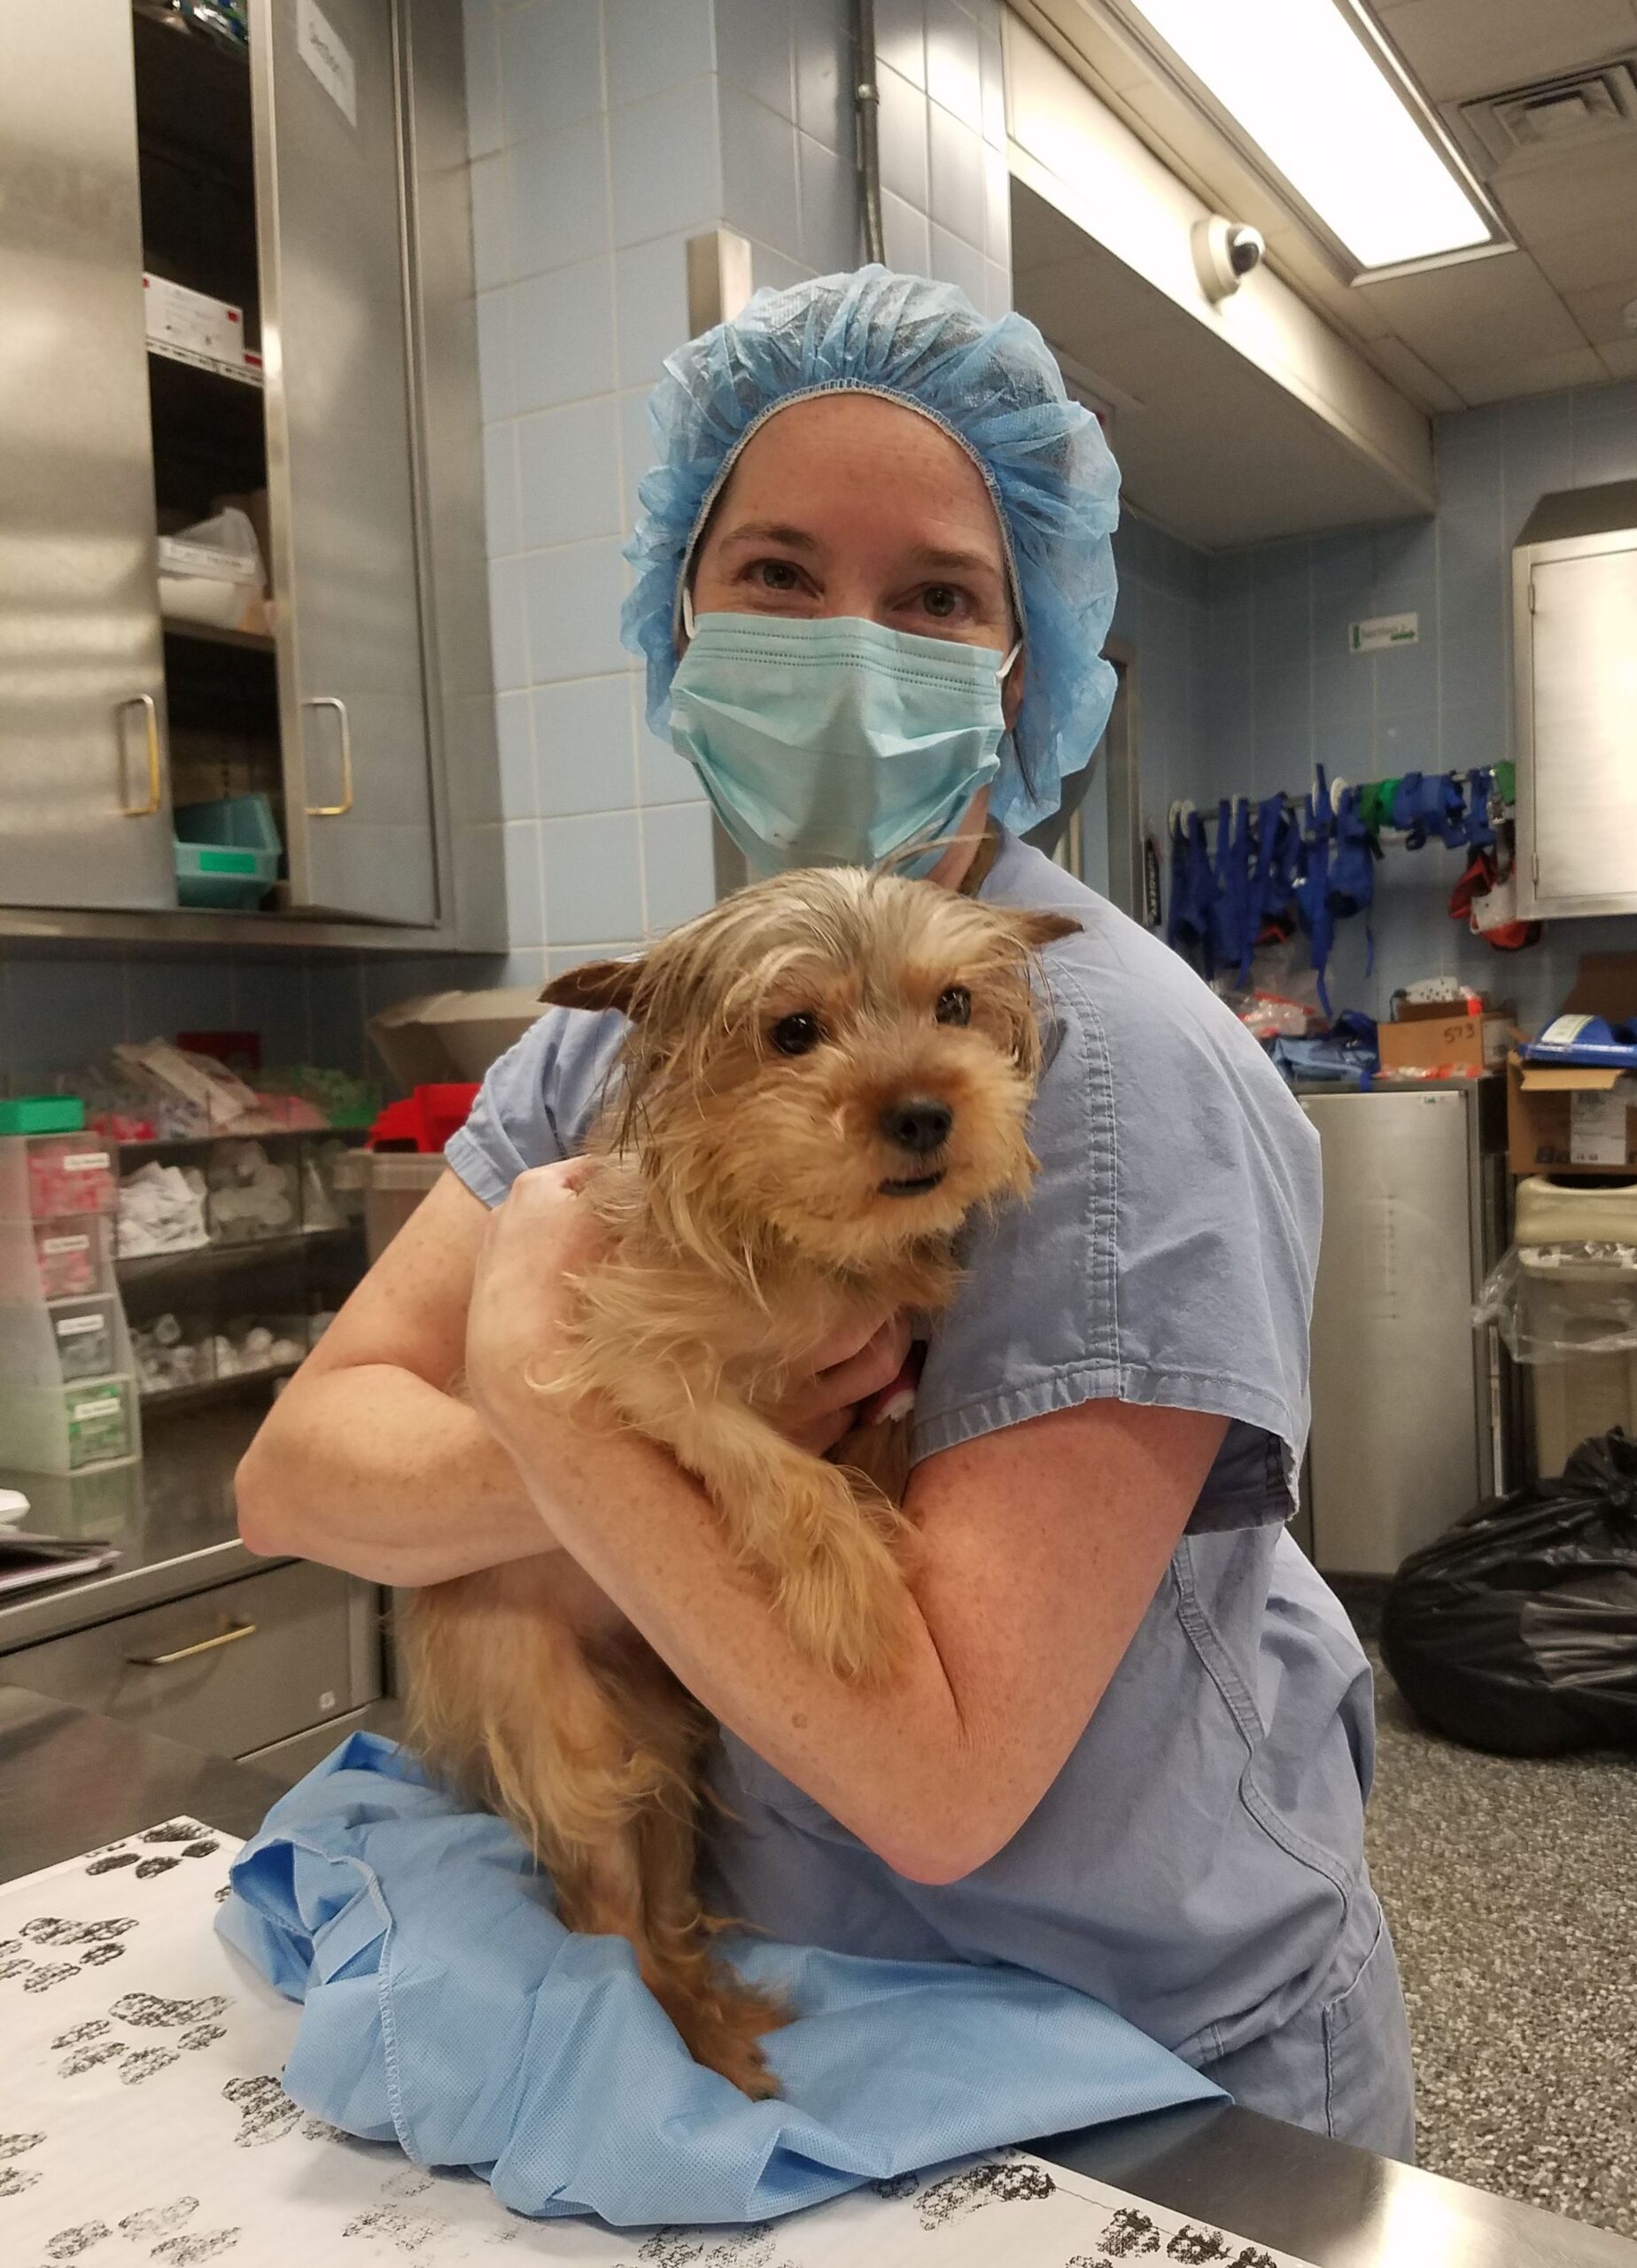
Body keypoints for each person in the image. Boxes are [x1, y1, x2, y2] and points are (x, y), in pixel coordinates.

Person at [237, 268, 1416, 2157]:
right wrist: (678, 1438)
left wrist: (554, 1403)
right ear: (677, 612)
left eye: (937, 594)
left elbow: (936, 1774)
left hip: (1109, 2059)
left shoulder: (1105, 1065)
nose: (850, 641)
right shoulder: (638, 1033)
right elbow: (301, 1471)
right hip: (763, 2004)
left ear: (1024, 663)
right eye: (778, 571)